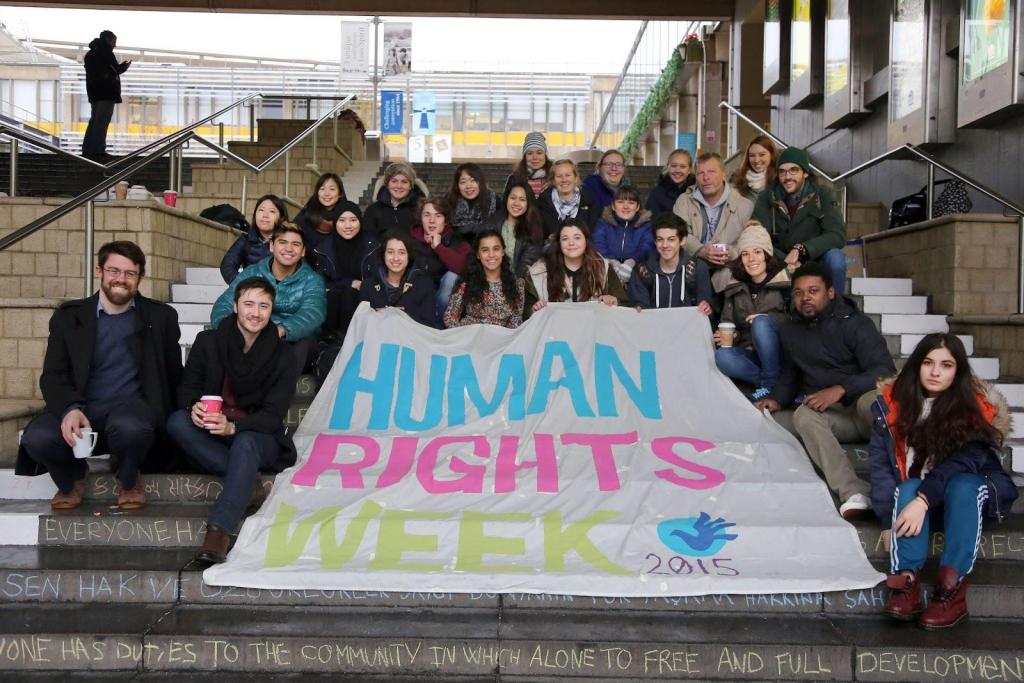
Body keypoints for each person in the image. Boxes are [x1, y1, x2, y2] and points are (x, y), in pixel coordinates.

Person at [16, 241, 182, 510]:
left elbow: (175, 375)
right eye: (114, 270)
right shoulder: (69, 317)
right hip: (81, 412)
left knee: (132, 427)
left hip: (131, 413)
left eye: (130, 273)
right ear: (100, 271)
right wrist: (70, 408)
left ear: (141, 277)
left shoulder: (160, 317)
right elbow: (53, 375)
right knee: (36, 438)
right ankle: (72, 478)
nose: (121, 279)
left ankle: (128, 477)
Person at [871, 334, 1018, 629]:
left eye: (946, 365)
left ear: (958, 372)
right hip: (916, 505)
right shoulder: (890, 407)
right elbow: (880, 468)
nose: (936, 372)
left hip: (966, 502)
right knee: (908, 486)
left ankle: (952, 587)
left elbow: (959, 464)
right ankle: (906, 582)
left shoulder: (977, 411)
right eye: (928, 363)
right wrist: (890, 518)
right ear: (917, 366)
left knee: (963, 484)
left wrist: (923, 501)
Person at [167, 277, 299, 564]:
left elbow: (273, 415)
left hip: (259, 436)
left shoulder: (284, 355)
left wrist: (234, 427)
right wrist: (194, 407)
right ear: (236, 306)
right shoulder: (209, 341)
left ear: (271, 310)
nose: (256, 312)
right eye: (249, 304)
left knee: (246, 442)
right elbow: (188, 388)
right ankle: (247, 480)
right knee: (177, 422)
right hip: (213, 432)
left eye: (264, 306)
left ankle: (219, 531)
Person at [755, 262, 895, 519]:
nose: (805, 298)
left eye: (813, 290)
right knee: (803, 415)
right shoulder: (790, 330)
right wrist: (775, 399)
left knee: (875, 401)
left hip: (865, 408)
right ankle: (854, 492)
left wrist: (841, 389)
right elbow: (791, 374)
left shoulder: (855, 323)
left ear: (830, 292)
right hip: (838, 417)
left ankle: (897, 483)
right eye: (798, 293)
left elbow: (884, 371)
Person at [211, 223, 326, 373]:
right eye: (282, 242)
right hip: (253, 334)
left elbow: (313, 313)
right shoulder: (253, 272)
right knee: (210, 339)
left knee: (304, 345)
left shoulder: (312, 279)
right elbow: (224, 304)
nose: (289, 249)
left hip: (291, 339)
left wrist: (280, 330)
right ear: (272, 246)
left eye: (296, 244)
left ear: (303, 251)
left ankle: (278, 393)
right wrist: (231, 330)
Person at [752, 146, 849, 296]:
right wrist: (786, 259)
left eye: (793, 170)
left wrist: (803, 249)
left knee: (836, 257)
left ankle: (836, 309)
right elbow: (758, 235)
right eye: (782, 172)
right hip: (779, 261)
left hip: (815, 259)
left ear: (805, 173)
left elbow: (837, 235)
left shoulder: (822, 195)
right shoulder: (767, 197)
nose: (787, 176)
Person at [715, 222, 791, 401]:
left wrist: (768, 319)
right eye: (745, 254)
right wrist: (732, 336)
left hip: (779, 354)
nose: (751, 259)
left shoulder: (785, 283)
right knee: (722, 356)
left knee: (761, 322)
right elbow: (729, 324)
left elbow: (798, 322)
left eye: (757, 252)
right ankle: (769, 384)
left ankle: (769, 384)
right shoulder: (735, 286)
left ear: (766, 255)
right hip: (750, 354)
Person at [673, 152, 755, 293]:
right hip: (691, 265)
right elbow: (678, 233)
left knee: (729, 277)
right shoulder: (684, 201)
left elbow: (750, 239)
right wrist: (701, 250)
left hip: (729, 267)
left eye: (711, 172)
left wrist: (733, 252)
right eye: (700, 173)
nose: (706, 178)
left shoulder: (745, 205)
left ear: (724, 174)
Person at [310, 201, 379, 340]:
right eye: (342, 220)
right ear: (335, 222)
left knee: (349, 294)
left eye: (353, 220)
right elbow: (320, 284)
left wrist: (355, 287)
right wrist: (349, 283)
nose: (348, 226)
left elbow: (376, 281)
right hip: (331, 311)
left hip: (363, 307)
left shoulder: (373, 246)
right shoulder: (323, 249)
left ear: (360, 221)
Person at [526, 219, 629, 311]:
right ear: (559, 243)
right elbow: (527, 310)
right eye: (565, 239)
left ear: (586, 241)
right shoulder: (540, 271)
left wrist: (614, 301)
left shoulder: (602, 268)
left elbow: (624, 304)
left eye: (577, 238)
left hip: (593, 330)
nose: (571, 243)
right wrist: (534, 309)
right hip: (554, 331)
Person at [627, 212, 712, 313]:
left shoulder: (698, 268)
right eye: (660, 239)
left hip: (687, 327)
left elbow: (706, 313)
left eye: (671, 239)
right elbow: (639, 309)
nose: (665, 245)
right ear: (655, 241)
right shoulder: (642, 270)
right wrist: (638, 309)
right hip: (653, 327)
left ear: (682, 240)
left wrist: (706, 309)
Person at [409, 196, 472, 325]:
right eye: (427, 215)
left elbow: (463, 267)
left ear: (446, 220)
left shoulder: (457, 240)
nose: (432, 220)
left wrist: (439, 247)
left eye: (438, 216)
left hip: (444, 303)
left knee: (452, 277)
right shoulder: (410, 239)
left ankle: (438, 330)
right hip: (417, 295)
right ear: (421, 219)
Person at [444, 231, 526, 329]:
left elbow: (516, 321)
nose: (491, 255)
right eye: (485, 250)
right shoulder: (467, 282)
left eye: (496, 249)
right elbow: (450, 318)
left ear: (503, 252)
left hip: (501, 340)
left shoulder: (517, 284)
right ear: (478, 255)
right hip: (470, 338)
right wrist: (465, 336)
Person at [360, 232, 436, 327]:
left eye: (402, 253)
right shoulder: (368, 286)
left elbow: (429, 325)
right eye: (390, 252)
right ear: (383, 255)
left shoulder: (424, 285)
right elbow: (361, 324)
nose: (395, 258)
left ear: (409, 256)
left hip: (411, 340)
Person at [219, 194, 288, 284]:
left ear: (281, 217)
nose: (265, 215)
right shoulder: (246, 240)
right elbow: (227, 266)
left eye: (272, 211)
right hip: (251, 295)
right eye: (261, 210)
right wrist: (243, 286)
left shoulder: (288, 242)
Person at [82, 30, 131, 157]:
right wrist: (124, 67)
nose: (115, 45)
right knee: (102, 122)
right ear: (108, 40)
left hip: (94, 93)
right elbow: (115, 69)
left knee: (94, 121)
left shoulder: (90, 54)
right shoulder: (105, 52)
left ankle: (88, 149)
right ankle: (98, 151)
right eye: (114, 42)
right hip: (106, 92)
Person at [483, 180, 545, 278]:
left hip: (518, 282)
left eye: (522, 200)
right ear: (506, 199)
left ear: (528, 203)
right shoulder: (491, 224)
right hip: (490, 277)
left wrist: (511, 285)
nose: (516, 203)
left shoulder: (533, 228)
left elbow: (525, 266)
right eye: (513, 198)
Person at [593, 186, 654, 285]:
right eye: (620, 202)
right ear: (613, 206)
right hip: (608, 269)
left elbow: (646, 247)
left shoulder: (646, 226)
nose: (626, 207)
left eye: (631, 203)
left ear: (638, 207)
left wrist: (631, 262)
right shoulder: (603, 223)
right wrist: (612, 262)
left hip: (636, 270)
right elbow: (599, 244)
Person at [537, 159, 599, 239]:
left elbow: (592, 235)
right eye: (559, 176)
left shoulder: (591, 201)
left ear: (575, 178)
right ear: (553, 181)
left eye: (568, 175)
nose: (564, 180)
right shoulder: (542, 203)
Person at [294, 173, 347, 266]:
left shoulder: (348, 219)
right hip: (307, 270)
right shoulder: (305, 216)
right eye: (322, 189)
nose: (326, 193)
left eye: (332, 189)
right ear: (317, 192)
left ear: (340, 194)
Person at [362, 162, 426, 237]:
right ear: (387, 184)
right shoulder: (373, 210)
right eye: (394, 181)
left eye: (404, 182)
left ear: (410, 186)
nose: (399, 186)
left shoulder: (420, 209)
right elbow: (367, 239)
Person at [446, 162, 499, 237]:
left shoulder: (494, 200)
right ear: (457, 185)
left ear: (480, 182)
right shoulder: (448, 201)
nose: (468, 186)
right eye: (463, 182)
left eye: (473, 180)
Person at [646, 149, 695, 215]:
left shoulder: (697, 193)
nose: (678, 170)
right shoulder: (656, 194)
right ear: (668, 167)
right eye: (674, 166)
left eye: (683, 167)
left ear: (689, 170)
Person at [730, 135, 778, 202]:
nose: (756, 160)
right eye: (752, 155)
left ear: (771, 155)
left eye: (762, 155)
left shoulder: (779, 180)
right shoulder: (738, 180)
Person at [504, 132, 551, 198]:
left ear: (545, 155)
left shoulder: (554, 178)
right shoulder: (514, 179)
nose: (534, 157)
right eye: (530, 153)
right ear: (525, 157)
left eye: (539, 153)